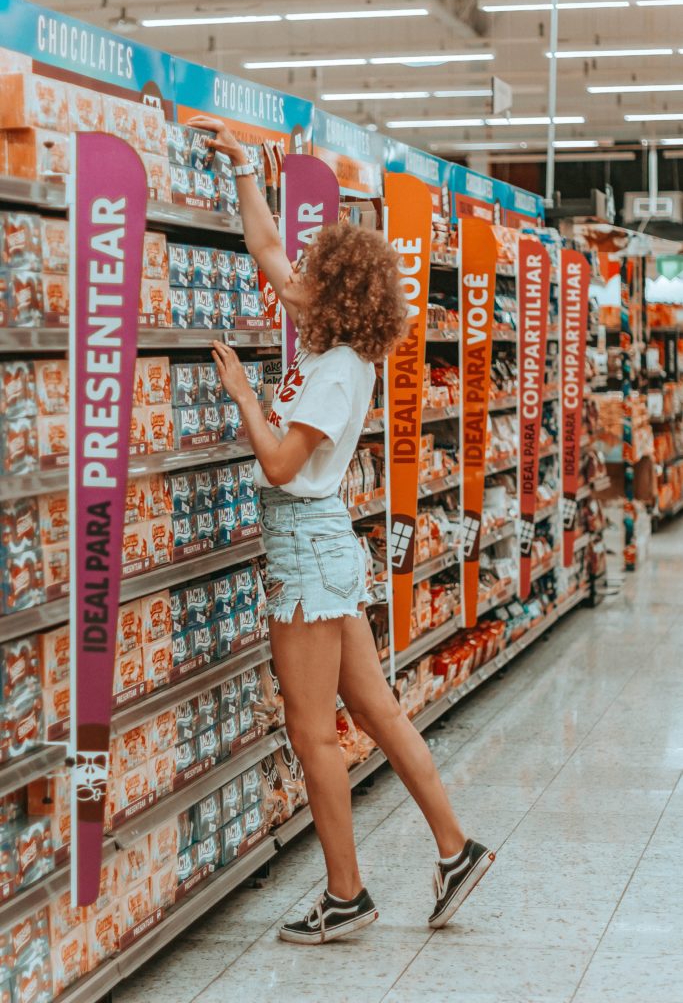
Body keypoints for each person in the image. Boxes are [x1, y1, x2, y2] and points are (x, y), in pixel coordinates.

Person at [190, 115, 496, 945]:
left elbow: (282, 467)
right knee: (379, 709)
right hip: (325, 547)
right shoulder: (332, 345)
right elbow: (264, 251)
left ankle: (345, 892)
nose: (295, 285)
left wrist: (243, 396)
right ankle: (456, 849)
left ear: (335, 295)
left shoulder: (333, 371)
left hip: (305, 544)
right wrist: (246, 169)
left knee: (310, 727)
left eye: (311, 279)